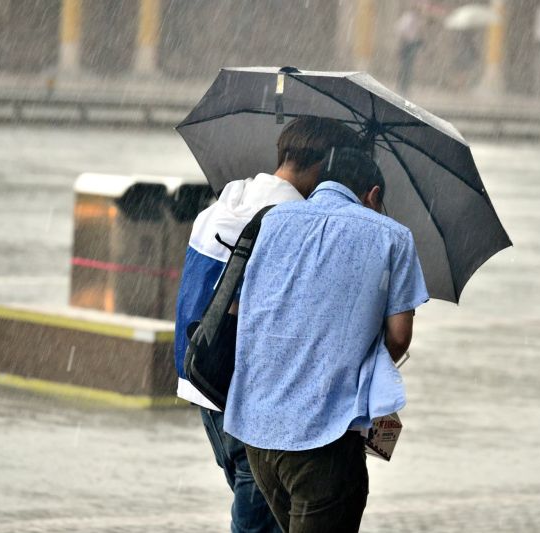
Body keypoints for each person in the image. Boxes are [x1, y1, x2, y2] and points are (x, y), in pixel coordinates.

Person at [173, 116, 363, 533]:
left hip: (202, 376)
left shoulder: (227, 200)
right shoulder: (295, 222)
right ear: (323, 167)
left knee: (258, 508)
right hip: (252, 397)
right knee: (261, 522)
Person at [224, 148, 429, 532]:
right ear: (372, 194)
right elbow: (399, 337)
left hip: (258, 432)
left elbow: (248, 308)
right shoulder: (392, 236)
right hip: (324, 437)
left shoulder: (271, 220)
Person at [396, 6, 424, 95]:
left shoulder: (414, 19)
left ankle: (404, 87)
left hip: (410, 44)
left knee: (408, 67)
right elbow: (400, 29)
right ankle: (403, 87)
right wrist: (407, 38)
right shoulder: (409, 18)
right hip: (408, 44)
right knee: (406, 66)